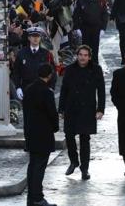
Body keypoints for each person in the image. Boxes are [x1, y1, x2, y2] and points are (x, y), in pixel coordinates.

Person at [58, 45, 105, 181]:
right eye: (80, 55)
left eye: (85, 55)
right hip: (71, 107)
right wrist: (61, 109)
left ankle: (85, 169)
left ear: (89, 57)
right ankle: (74, 161)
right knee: (69, 136)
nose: (82, 57)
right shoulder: (70, 69)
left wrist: (100, 109)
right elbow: (64, 90)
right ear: (77, 55)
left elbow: (101, 90)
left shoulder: (96, 69)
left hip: (88, 108)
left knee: (85, 139)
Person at [23, 63, 59, 206]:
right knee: (39, 166)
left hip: (31, 133)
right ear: (50, 75)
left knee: (33, 165)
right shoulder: (47, 92)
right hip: (43, 134)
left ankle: (31, 197)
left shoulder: (29, 89)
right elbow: (52, 113)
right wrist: (55, 127)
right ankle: (37, 197)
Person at [13, 27, 56, 100]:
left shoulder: (47, 54)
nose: (35, 38)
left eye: (38, 36)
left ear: (40, 38)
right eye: (33, 36)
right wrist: (18, 87)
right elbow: (16, 72)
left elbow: (53, 72)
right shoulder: (21, 53)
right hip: (26, 89)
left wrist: (51, 87)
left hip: (43, 90)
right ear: (29, 38)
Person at [73, 0, 109, 64]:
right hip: (85, 28)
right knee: (85, 49)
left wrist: (103, 28)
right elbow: (76, 16)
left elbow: (105, 15)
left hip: (96, 28)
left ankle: (95, 66)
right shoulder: (81, 0)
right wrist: (77, 28)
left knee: (95, 49)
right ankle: (85, 65)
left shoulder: (100, 0)